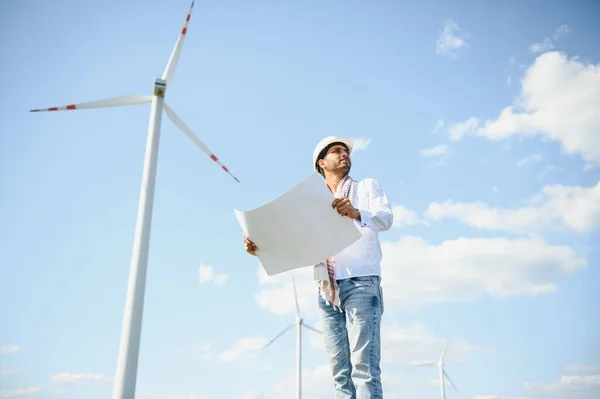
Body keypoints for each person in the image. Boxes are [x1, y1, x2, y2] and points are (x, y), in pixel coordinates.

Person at [244, 136, 393, 399]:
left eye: (346, 151)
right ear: (321, 163)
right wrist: (260, 245)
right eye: (337, 151)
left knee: (364, 368)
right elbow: (292, 237)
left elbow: (385, 218)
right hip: (326, 290)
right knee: (339, 373)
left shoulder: (366, 187)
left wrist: (357, 212)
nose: (344, 154)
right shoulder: (312, 202)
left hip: (362, 282)